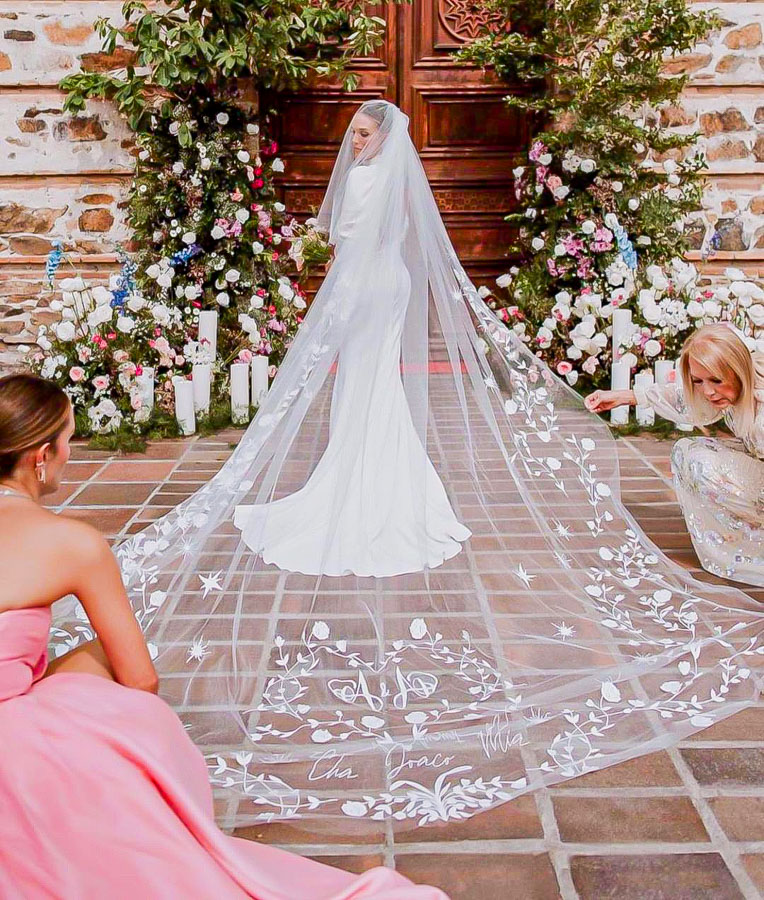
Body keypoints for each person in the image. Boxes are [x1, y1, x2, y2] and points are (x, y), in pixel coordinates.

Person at [49, 102, 764, 838]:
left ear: (384, 139)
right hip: (380, 283)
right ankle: (374, 468)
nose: (355, 140)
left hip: (368, 288)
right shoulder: (378, 173)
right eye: (354, 132)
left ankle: (371, 477)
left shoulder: (368, 178)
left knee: (366, 382)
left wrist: (327, 286)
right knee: (371, 384)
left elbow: (351, 241)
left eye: (365, 133)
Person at [0, 372, 449, 899]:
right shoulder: (70, 544)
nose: (72, 453)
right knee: (104, 665)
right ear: (40, 455)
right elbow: (141, 680)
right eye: (70, 440)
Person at [585, 323, 764, 586]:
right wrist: (625, 396)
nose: (708, 391)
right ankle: (741, 551)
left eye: (716, 380)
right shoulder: (733, 384)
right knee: (688, 453)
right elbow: (682, 398)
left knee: (702, 464)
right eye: (698, 381)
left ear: (738, 370)